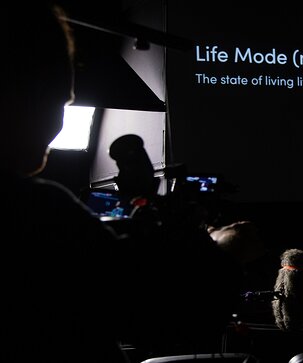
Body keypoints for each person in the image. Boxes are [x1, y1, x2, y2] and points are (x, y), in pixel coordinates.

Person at [1, 3, 241, 362]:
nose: (57, 125)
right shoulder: (41, 212)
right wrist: (208, 243)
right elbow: (179, 315)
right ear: (23, 96)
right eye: (60, 101)